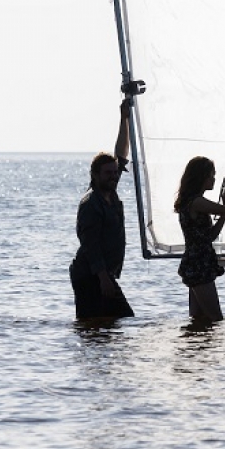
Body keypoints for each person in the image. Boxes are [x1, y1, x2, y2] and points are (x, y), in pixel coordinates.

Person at [69, 100, 135, 320]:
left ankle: (101, 356)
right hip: (89, 275)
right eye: (107, 173)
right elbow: (91, 245)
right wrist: (104, 278)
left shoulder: (111, 195)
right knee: (95, 325)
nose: (113, 176)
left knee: (110, 326)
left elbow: (121, 155)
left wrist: (124, 118)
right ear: (95, 175)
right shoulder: (91, 203)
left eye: (114, 173)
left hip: (104, 275)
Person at [175, 156, 225, 322]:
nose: (213, 179)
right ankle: (205, 346)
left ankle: (196, 346)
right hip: (198, 263)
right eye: (211, 175)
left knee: (199, 319)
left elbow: (209, 236)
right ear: (201, 177)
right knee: (215, 317)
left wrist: (223, 213)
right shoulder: (196, 202)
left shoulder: (193, 201)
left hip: (198, 260)